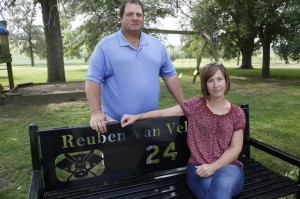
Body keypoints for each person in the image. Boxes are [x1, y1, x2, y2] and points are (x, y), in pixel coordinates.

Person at [121, 62, 246, 199]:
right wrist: (137, 116)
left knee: (223, 185)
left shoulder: (236, 113)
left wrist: (214, 166)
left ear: (226, 81)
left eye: (220, 79)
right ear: (205, 84)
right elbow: (163, 113)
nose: (216, 85)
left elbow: (235, 148)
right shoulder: (195, 105)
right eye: (210, 80)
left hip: (228, 167)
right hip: (198, 167)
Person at [85, 0, 184, 133]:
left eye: (139, 14)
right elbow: (93, 80)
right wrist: (96, 112)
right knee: (118, 155)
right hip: (116, 125)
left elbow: (170, 76)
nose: (135, 18)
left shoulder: (157, 46)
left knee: (149, 154)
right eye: (130, 14)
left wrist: (184, 105)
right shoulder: (105, 47)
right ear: (121, 18)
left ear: (143, 18)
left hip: (150, 125)